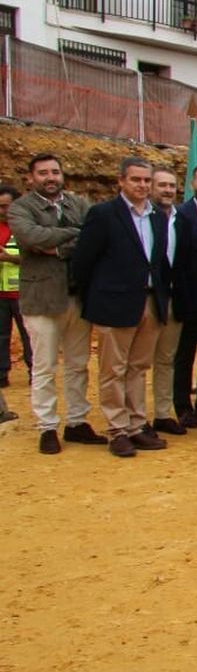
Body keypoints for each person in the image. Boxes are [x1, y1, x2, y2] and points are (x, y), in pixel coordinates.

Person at [71, 157, 170, 458]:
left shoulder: (157, 217)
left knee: (138, 368)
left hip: (150, 301)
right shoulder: (103, 214)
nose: (142, 185)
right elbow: (84, 261)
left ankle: (137, 426)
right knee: (112, 369)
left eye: (146, 181)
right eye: (136, 179)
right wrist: (96, 298)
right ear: (121, 181)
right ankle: (117, 429)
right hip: (114, 303)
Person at [12, 154, 101, 454]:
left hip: (78, 296)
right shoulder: (20, 207)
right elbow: (32, 237)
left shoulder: (78, 204)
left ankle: (77, 421)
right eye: (43, 173)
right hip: (41, 298)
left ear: (63, 175)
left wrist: (56, 245)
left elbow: (95, 236)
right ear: (31, 178)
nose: (50, 177)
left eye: (55, 172)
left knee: (78, 365)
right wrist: (75, 236)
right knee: (44, 366)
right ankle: (47, 426)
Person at [148, 168, 187, 435]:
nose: (167, 190)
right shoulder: (140, 218)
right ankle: (133, 418)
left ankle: (162, 413)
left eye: (172, 186)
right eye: (162, 185)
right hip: (146, 297)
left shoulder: (181, 219)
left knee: (166, 359)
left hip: (174, 298)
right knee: (136, 363)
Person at [0, 185, 34, 391]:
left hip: (23, 292)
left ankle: (34, 372)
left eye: (6, 206)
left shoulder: (25, 228)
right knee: (1, 335)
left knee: (29, 335)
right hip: (1, 294)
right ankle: (2, 374)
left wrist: (8, 258)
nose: (2, 210)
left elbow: (35, 258)